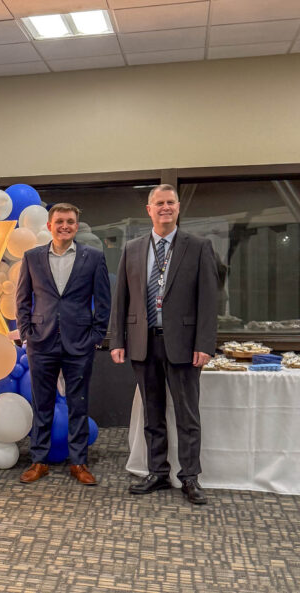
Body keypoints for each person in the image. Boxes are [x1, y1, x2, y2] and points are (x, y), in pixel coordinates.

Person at [109, 184, 218, 505]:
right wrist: (117, 339)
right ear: (149, 209)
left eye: (170, 202)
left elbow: (209, 301)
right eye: (159, 203)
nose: (165, 207)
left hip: (185, 346)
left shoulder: (198, 247)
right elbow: (121, 300)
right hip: (143, 344)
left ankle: (190, 478)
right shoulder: (132, 248)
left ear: (178, 208)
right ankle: (157, 472)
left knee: (187, 416)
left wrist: (205, 344)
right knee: (152, 413)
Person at [16, 203, 111, 486]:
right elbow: (22, 300)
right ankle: (39, 461)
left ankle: (79, 462)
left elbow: (104, 302)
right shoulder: (32, 257)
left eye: (70, 221)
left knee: (78, 404)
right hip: (41, 342)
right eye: (59, 221)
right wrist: (26, 333)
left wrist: (96, 336)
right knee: (42, 404)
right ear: (49, 225)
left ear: (76, 226)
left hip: (79, 342)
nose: (65, 226)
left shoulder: (93, 257)